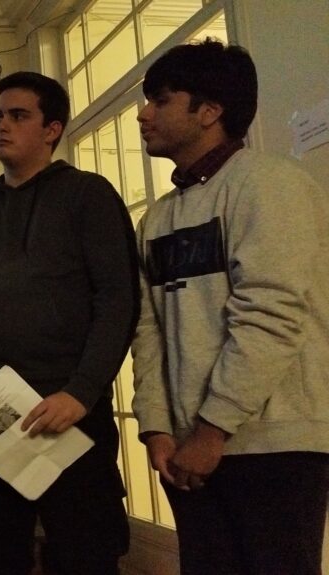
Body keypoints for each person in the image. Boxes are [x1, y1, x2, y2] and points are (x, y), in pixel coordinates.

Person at [0, 71, 139, 575]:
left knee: (85, 557)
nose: (2, 125)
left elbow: (118, 301)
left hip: (66, 408)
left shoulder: (88, 195)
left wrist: (81, 392)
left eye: (19, 116)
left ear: (52, 129)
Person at [131, 38, 329, 575]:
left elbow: (271, 315)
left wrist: (212, 429)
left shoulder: (270, 184)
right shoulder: (157, 217)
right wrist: (156, 426)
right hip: (186, 450)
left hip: (274, 443)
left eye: (161, 100)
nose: (144, 115)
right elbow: (148, 329)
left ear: (209, 111)